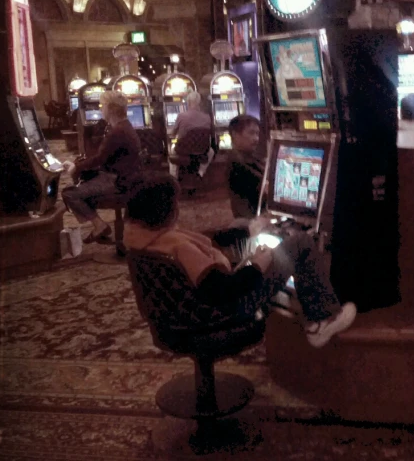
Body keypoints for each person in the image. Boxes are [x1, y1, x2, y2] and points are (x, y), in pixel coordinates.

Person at [124, 177, 357, 348]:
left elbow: (205, 241)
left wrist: (249, 230)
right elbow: (224, 291)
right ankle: (322, 319)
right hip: (221, 314)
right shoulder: (179, 248)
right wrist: (257, 265)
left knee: (238, 227)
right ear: (166, 212)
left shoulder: (144, 238)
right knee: (301, 243)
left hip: (175, 316)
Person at [62, 89, 142, 243]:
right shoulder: (124, 126)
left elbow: (99, 159)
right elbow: (103, 157)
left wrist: (76, 167)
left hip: (117, 181)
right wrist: (78, 164)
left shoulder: (117, 132)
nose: (100, 109)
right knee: (83, 186)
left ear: (110, 109)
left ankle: (99, 225)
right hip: (125, 177)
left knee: (70, 193)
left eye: (102, 105)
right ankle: (100, 226)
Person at [226, 114, 265, 220]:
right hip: (252, 221)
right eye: (251, 133)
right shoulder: (237, 163)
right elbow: (266, 190)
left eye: (257, 134)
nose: (256, 139)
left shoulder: (247, 157)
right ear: (235, 134)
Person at [169, 90, 212, 178]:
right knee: (211, 151)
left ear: (188, 102)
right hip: (201, 150)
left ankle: (173, 177)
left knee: (171, 150)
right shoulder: (207, 117)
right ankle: (200, 172)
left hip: (184, 150)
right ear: (200, 103)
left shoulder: (181, 116)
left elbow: (173, 134)